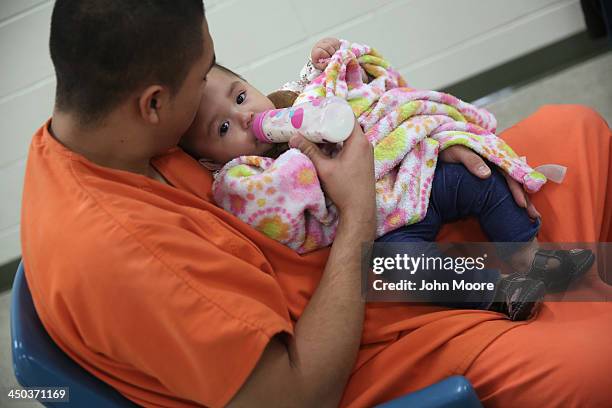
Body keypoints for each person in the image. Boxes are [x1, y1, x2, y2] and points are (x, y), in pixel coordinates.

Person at [20, 1, 612, 407]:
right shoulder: (128, 254)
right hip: (358, 328)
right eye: (200, 75)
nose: (215, 89)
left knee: (574, 130)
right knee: (594, 354)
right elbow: (298, 395)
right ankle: (546, 291)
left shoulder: (102, 135)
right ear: (152, 104)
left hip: (356, 256)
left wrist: (414, 152)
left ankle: (549, 282)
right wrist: (358, 213)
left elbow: (255, 135)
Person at [179, 39, 594, 321]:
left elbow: (350, 87)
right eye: (222, 129)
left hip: (411, 182)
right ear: (207, 159)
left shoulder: (294, 102)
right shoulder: (238, 177)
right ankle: (502, 290)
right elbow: (275, 209)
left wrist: (329, 61)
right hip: (379, 231)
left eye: (239, 97)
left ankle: (532, 256)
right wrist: (302, 156)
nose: (246, 118)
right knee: (405, 269)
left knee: (480, 179)